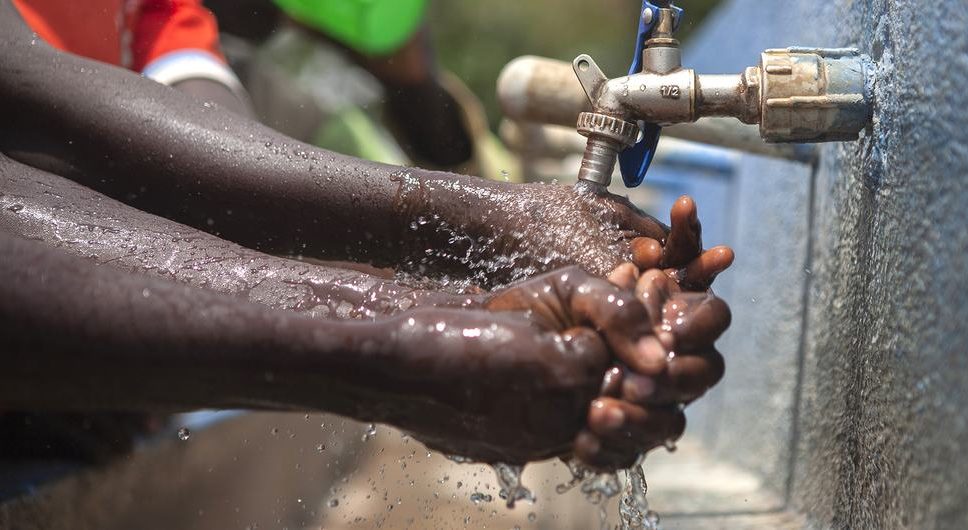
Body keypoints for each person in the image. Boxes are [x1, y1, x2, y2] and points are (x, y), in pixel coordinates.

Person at [0, 0, 733, 470]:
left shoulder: (163, 12)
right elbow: (23, 88)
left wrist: (442, 312)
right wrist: (408, 328)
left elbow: (206, 163)